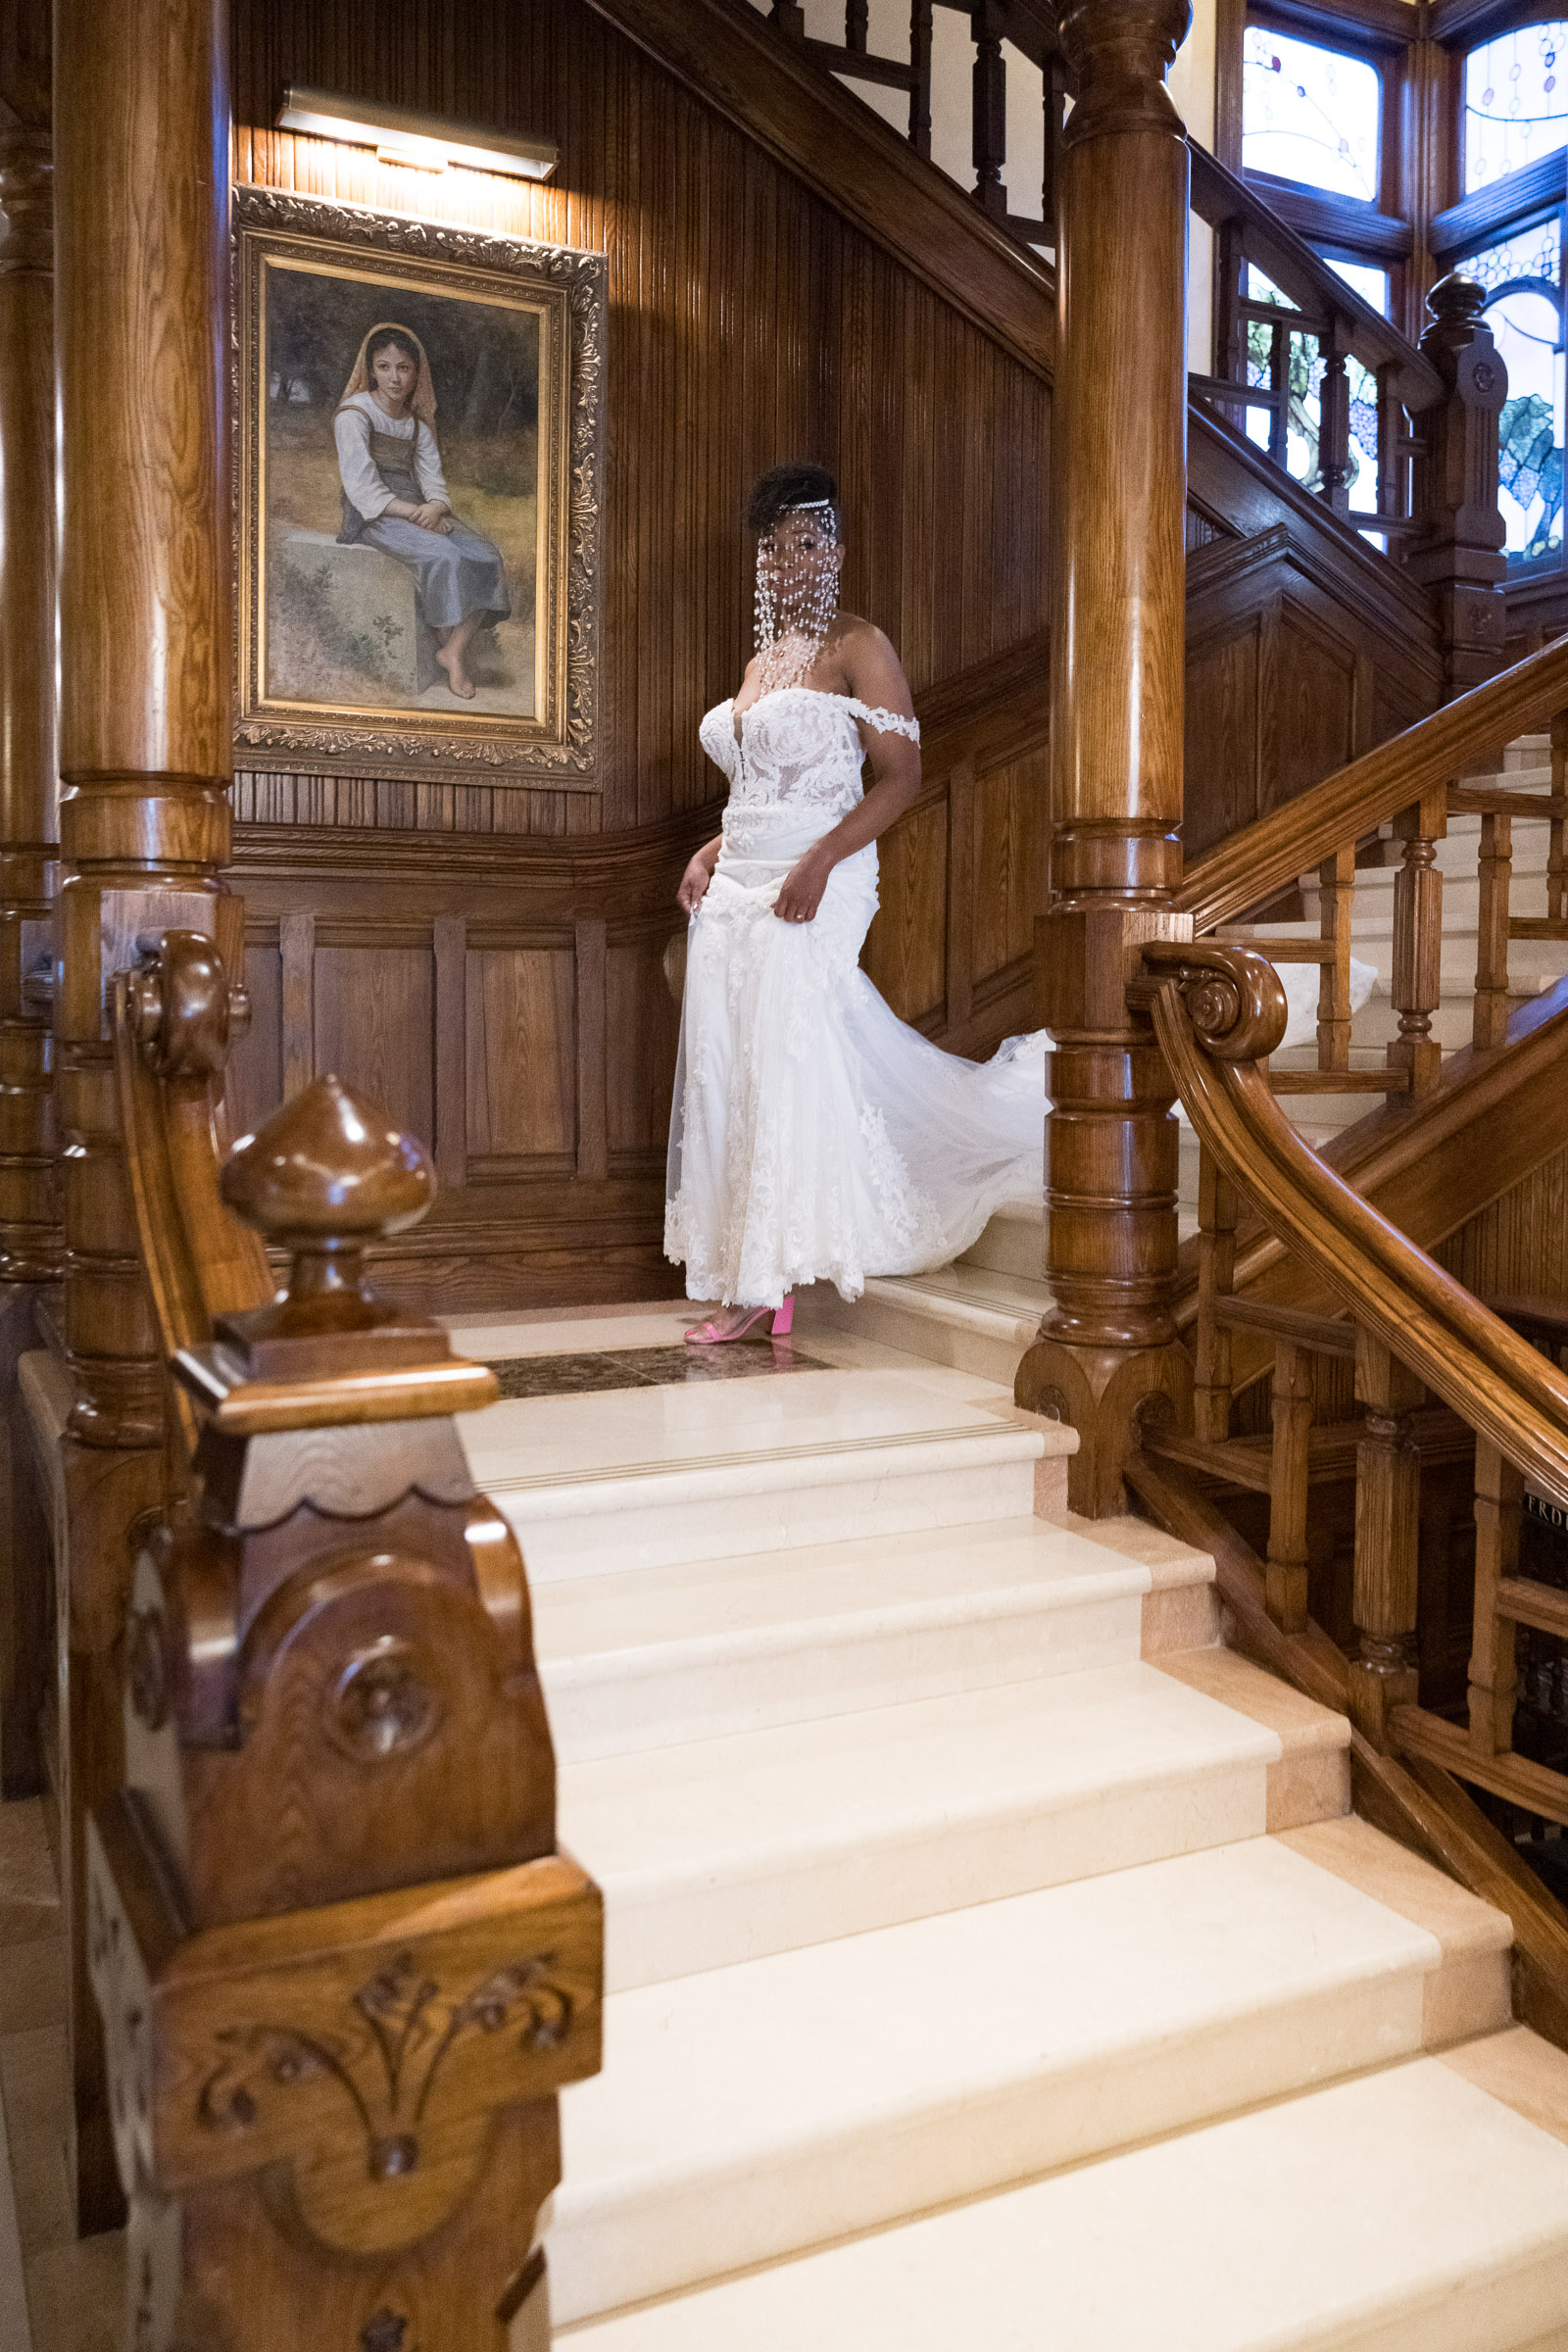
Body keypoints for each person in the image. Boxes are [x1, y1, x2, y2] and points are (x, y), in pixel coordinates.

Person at [666, 463, 1048, 1344]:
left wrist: (821, 864)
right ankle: (741, 1262)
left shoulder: (858, 647)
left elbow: (899, 778)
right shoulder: (763, 660)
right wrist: (709, 850)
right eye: (771, 549)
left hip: (820, 879)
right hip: (737, 882)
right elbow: (768, 783)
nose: (785, 563)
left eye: (803, 544)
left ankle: (768, 1278)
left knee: (782, 1052)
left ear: (832, 551)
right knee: (728, 1061)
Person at [333, 321, 510, 701]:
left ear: (417, 373)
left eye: (404, 368)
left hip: (419, 509)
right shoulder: (355, 415)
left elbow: (434, 482)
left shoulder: (418, 427)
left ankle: (452, 650)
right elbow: (362, 488)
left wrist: (434, 506)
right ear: (371, 370)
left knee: (487, 555)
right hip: (375, 515)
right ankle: (453, 655)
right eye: (384, 367)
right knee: (444, 554)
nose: (395, 378)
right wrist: (417, 513)